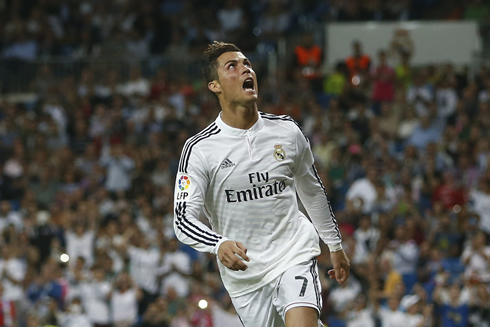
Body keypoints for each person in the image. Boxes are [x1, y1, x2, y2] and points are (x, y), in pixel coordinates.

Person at [173, 41, 350, 327]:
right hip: (247, 277)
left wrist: (334, 243)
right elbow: (182, 219)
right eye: (232, 66)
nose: (246, 69)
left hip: (293, 252)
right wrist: (217, 244)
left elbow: (312, 191)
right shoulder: (200, 149)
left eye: (247, 64)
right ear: (215, 86)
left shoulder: (287, 131)